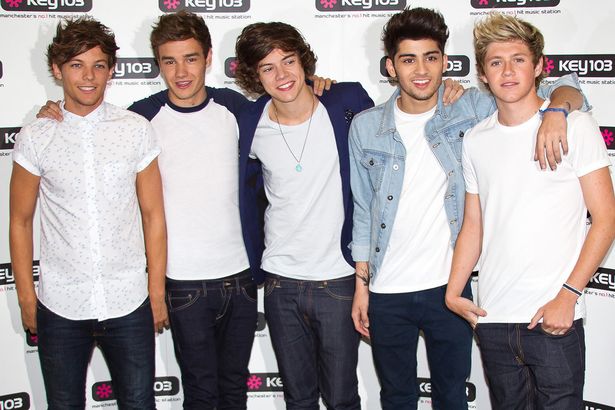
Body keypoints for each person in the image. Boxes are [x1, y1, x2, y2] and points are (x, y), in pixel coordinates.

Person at [35, 12, 334, 409]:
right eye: (169, 61)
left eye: (191, 59)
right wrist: (54, 110)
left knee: (234, 389)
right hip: (181, 283)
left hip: (240, 278)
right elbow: (93, 123)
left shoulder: (237, 109)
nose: (181, 72)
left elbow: (289, 103)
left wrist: (318, 84)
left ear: (208, 58)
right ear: (158, 64)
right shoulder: (140, 118)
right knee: (200, 392)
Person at [348, 7, 589, 410]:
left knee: (452, 397)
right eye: (408, 60)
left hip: (449, 288)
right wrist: (362, 288)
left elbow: (565, 86)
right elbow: (363, 210)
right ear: (390, 67)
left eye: (430, 58)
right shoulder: (366, 126)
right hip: (386, 288)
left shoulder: (472, 107)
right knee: (396, 398)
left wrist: (557, 110)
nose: (421, 70)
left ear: (445, 61)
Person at [445, 13, 615, 409]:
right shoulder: (475, 139)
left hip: (552, 316)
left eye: (518, 60)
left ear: (539, 67)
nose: (507, 71)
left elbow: (606, 219)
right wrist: (453, 291)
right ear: (482, 74)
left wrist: (568, 296)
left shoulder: (575, 126)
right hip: (493, 318)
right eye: (496, 62)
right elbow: (474, 224)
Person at [10, 17, 167, 409]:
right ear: (57, 69)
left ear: (111, 71)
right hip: (60, 304)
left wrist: (156, 292)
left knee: (139, 403)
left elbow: (153, 216)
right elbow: (20, 220)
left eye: (98, 65)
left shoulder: (135, 129)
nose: (88, 76)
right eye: (76, 65)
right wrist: (27, 298)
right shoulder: (36, 136)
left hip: (128, 300)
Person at [234, 22, 374, 410]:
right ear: (255, 76)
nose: (282, 75)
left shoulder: (345, 102)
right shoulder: (250, 121)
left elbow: (402, 116)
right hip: (281, 283)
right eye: (268, 67)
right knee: (298, 399)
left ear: (304, 62)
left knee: (342, 398)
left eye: (289, 61)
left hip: (339, 279)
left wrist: (450, 92)